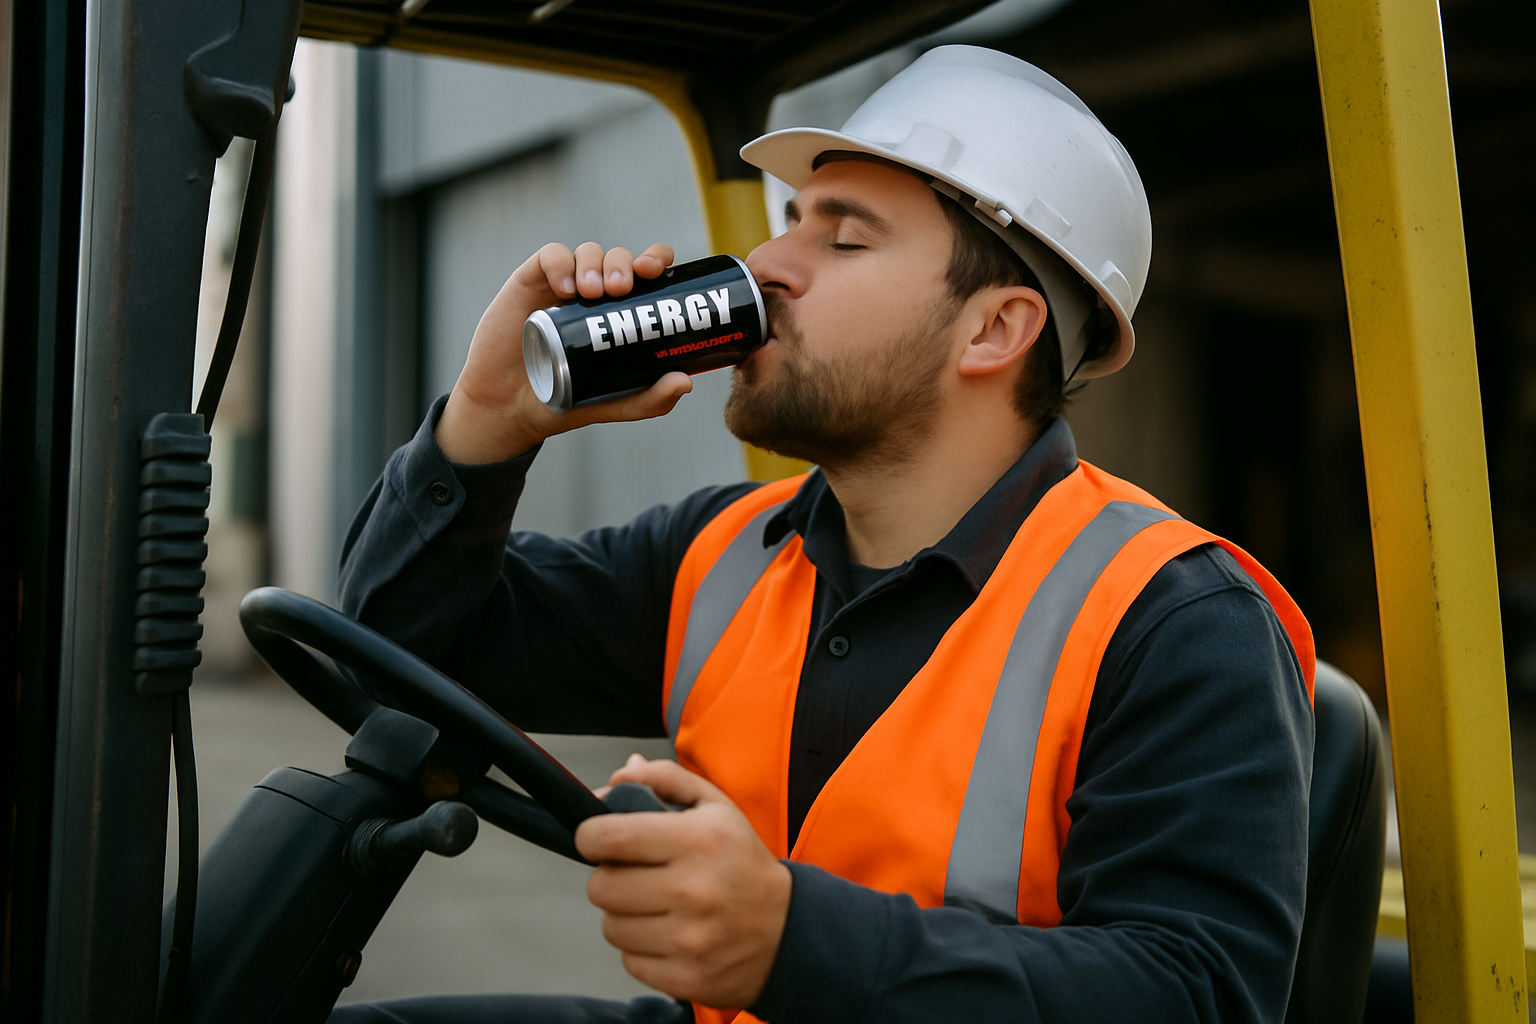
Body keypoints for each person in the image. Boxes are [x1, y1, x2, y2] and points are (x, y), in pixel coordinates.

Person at [331, 45, 1314, 1024]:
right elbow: (396, 653)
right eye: (789, 223)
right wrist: (485, 423)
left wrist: (789, 939)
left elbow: (1197, 994)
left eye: (843, 241)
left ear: (993, 330)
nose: (765, 267)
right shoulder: (720, 556)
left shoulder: (1174, 619)